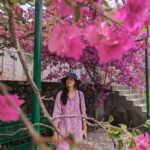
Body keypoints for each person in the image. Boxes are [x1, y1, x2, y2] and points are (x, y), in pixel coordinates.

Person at [52, 72, 87, 149]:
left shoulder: (80, 95)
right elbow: (56, 113)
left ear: (75, 82)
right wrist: (55, 132)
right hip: (63, 128)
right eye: (67, 79)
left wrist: (84, 129)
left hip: (77, 128)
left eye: (71, 79)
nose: (68, 81)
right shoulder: (60, 94)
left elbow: (83, 112)